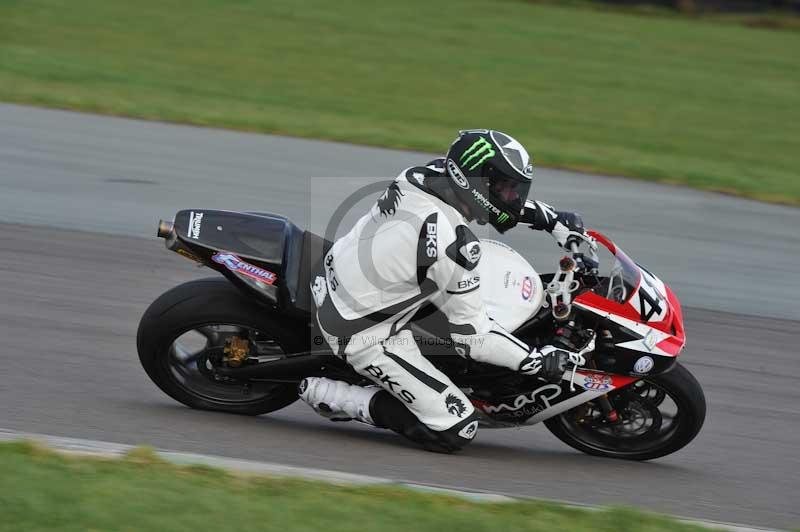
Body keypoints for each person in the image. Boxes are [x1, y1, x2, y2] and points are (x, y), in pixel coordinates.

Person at [300, 129, 594, 453]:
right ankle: (336, 397)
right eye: (505, 188)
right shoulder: (451, 244)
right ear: (476, 184)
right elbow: (473, 338)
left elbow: (490, 206)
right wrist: (536, 361)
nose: (513, 198)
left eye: (516, 190)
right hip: (364, 331)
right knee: (457, 429)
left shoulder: (424, 176)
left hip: (350, 270)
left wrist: (548, 218)